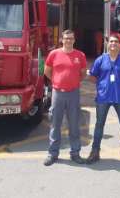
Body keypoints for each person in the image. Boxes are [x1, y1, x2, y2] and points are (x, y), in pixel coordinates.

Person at [86, 35, 120, 167]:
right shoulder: (100, 59)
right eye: (111, 41)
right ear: (107, 44)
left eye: (116, 42)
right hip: (103, 97)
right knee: (99, 125)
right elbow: (92, 76)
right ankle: (94, 152)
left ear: (119, 45)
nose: (113, 44)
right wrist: (101, 84)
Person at [43, 30, 87, 166]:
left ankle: (75, 153)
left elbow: (83, 74)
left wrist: (72, 82)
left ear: (74, 40)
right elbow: (47, 71)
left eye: (71, 38)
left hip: (73, 93)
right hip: (58, 93)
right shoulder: (54, 54)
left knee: (74, 125)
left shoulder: (80, 55)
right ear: (62, 39)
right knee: (55, 124)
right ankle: (53, 154)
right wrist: (58, 82)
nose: (68, 40)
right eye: (66, 38)